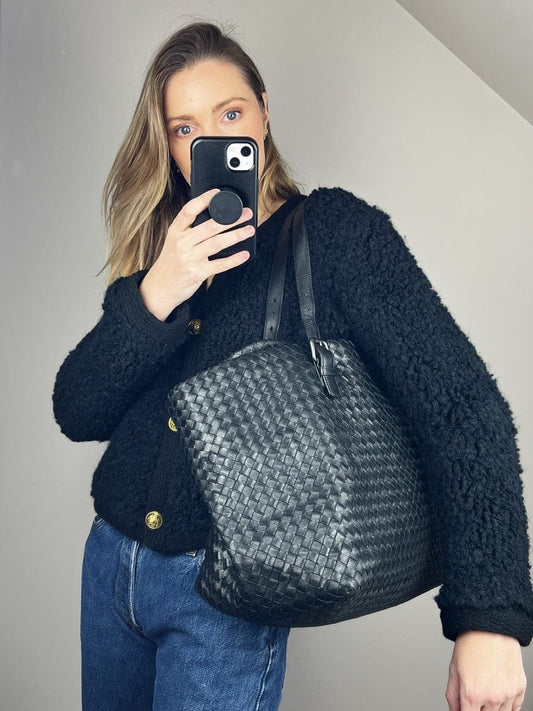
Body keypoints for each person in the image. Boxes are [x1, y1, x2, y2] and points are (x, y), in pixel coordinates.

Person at [53, 20, 532, 711]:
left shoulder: (335, 233)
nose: (211, 139)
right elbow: (78, 410)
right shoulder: (165, 250)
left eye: (230, 114)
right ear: (169, 146)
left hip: (223, 597)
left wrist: (489, 617)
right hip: (108, 568)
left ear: (264, 111)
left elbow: (460, 407)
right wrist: (159, 289)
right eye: (185, 128)